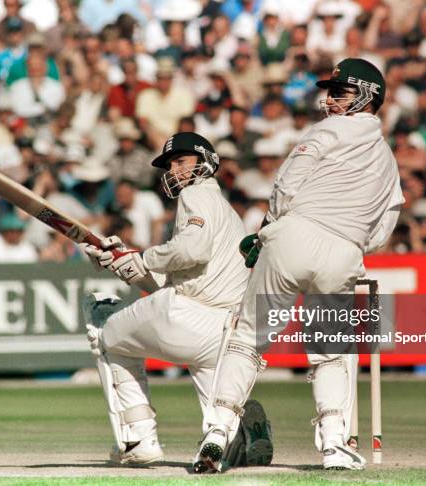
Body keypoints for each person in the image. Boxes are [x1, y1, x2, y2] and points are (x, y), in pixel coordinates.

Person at [193, 58, 404, 473]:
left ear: (367, 96)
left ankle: (217, 432)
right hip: (345, 250)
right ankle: (333, 444)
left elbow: (287, 184)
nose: (330, 98)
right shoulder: (389, 161)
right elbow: (385, 224)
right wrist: (353, 242)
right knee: (331, 350)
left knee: (249, 337)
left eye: (341, 91)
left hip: (294, 235)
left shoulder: (326, 130)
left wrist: (268, 229)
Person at [81, 132, 273, 466]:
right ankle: (237, 438)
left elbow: (190, 250)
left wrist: (145, 256)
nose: (174, 171)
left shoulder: (196, 194)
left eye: (182, 161)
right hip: (224, 332)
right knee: (218, 422)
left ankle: (138, 438)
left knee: (106, 331)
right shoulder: (227, 214)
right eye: (170, 165)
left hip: (187, 314)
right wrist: (124, 264)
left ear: (206, 162)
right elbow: (176, 278)